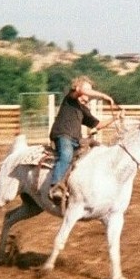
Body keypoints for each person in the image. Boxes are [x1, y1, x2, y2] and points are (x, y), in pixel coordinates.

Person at [48, 76, 117, 205]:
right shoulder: (71, 98)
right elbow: (83, 91)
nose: (89, 93)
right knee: (67, 154)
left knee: (96, 152)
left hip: (76, 139)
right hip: (63, 135)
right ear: (78, 88)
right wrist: (104, 96)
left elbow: (98, 124)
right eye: (87, 89)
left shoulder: (84, 110)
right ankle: (55, 186)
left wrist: (116, 118)